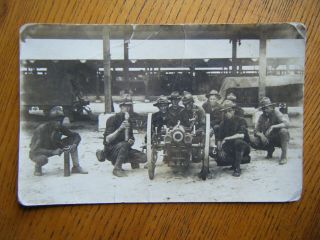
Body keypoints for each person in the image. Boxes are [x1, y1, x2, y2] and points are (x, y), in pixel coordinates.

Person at [96, 95, 147, 177]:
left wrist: (131, 141)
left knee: (144, 158)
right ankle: (116, 168)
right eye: (125, 106)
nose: (127, 108)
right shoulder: (112, 119)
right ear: (120, 107)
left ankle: (122, 161)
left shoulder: (129, 120)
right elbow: (107, 140)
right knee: (124, 144)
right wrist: (119, 129)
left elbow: (131, 138)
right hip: (111, 150)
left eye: (129, 106)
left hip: (124, 149)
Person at [29, 110, 88, 176]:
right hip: (39, 152)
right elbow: (35, 150)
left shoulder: (59, 126)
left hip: (54, 146)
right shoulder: (41, 129)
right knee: (42, 159)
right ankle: (38, 167)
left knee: (73, 139)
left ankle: (76, 167)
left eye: (60, 121)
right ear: (50, 121)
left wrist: (74, 145)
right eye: (56, 121)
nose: (58, 123)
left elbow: (76, 136)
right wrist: (53, 152)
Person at [216, 100, 251, 177]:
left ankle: (237, 168)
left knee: (238, 142)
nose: (227, 113)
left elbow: (241, 135)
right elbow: (219, 138)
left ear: (234, 111)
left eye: (230, 111)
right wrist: (219, 150)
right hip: (230, 148)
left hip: (243, 148)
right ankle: (233, 163)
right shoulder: (223, 123)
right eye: (225, 112)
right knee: (217, 156)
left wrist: (227, 138)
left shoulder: (241, 120)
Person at [250, 97, 290, 165]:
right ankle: (270, 149)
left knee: (284, 131)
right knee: (251, 139)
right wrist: (261, 135)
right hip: (268, 139)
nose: (265, 110)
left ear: (271, 107)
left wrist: (273, 126)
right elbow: (256, 131)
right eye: (263, 108)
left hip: (278, 139)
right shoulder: (262, 117)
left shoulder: (277, 113)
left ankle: (284, 156)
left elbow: (287, 123)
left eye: (266, 108)